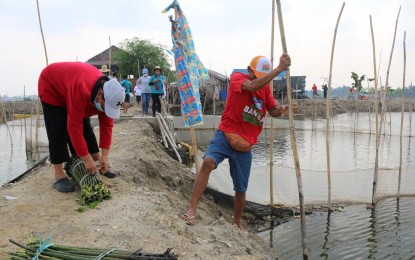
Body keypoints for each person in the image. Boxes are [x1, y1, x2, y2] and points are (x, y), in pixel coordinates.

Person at [180, 54, 295, 231]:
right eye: (258, 75)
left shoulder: (265, 90)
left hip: (246, 143)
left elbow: (272, 111)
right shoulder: (238, 78)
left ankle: (237, 221)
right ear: (249, 70)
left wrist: (281, 109)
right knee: (208, 162)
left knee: (241, 188)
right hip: (227, 134)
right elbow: (251, 86)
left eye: (263, 77)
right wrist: (279, 69)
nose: (261, 80)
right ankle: (191, 210)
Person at [38, 62, 125, 193]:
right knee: (58, 130)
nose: (106, 110)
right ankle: (59, 174)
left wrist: (104, 156)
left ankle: (98, 163)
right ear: (100, 93)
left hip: (72, 86)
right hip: (52, 86)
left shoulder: (108, 94)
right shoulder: (82, 88)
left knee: (86, 127)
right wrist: (86, 158)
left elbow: (107, 126)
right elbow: (73, 127)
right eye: (105, 106)